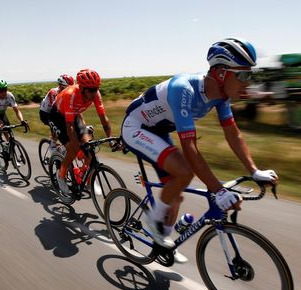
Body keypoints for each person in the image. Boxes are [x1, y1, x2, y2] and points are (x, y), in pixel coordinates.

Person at [121, 37, 278, 249]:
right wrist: (218, 190)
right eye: (243, 75)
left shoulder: (222, 97)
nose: (247, 82)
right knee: (185, 172)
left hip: (160, 129)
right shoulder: (183, 90)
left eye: (250, 75)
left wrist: (254, 170)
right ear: (221, 73)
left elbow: (233, 134)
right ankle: (152, 221)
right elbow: (190, 147)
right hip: (137, 127)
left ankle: (161, 243)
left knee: (176, 192)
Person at [50, 69, 112, 198]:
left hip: (74, 114)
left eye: (96, 89)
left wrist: (110, 139)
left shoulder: (95, 94)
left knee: (89, 149)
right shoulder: (71, 94)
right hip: (58, 116)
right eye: (91, 90)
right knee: (73, 149)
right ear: (82, 88)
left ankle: (88, 181)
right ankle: (61, 175)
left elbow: (103, 117)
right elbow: (69, 126)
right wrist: (76, 147)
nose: (94, 92)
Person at [0, 79, 28, 152]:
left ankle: (9, 148)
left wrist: (22, 120)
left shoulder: (9, 95)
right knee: (1, 125)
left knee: (7, 130)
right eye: (1, 91)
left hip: (1, 112)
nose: (4, 92)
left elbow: (17, 111)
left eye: (5, 89)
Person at [39, 74, 74, 139]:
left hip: (53, 112)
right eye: (68, 88)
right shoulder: (53, 92)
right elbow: (56, 109)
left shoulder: (67, 93)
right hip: (45, 114)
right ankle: (53, 144)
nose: (70, 90)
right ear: (60, 86)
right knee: (59, 128)